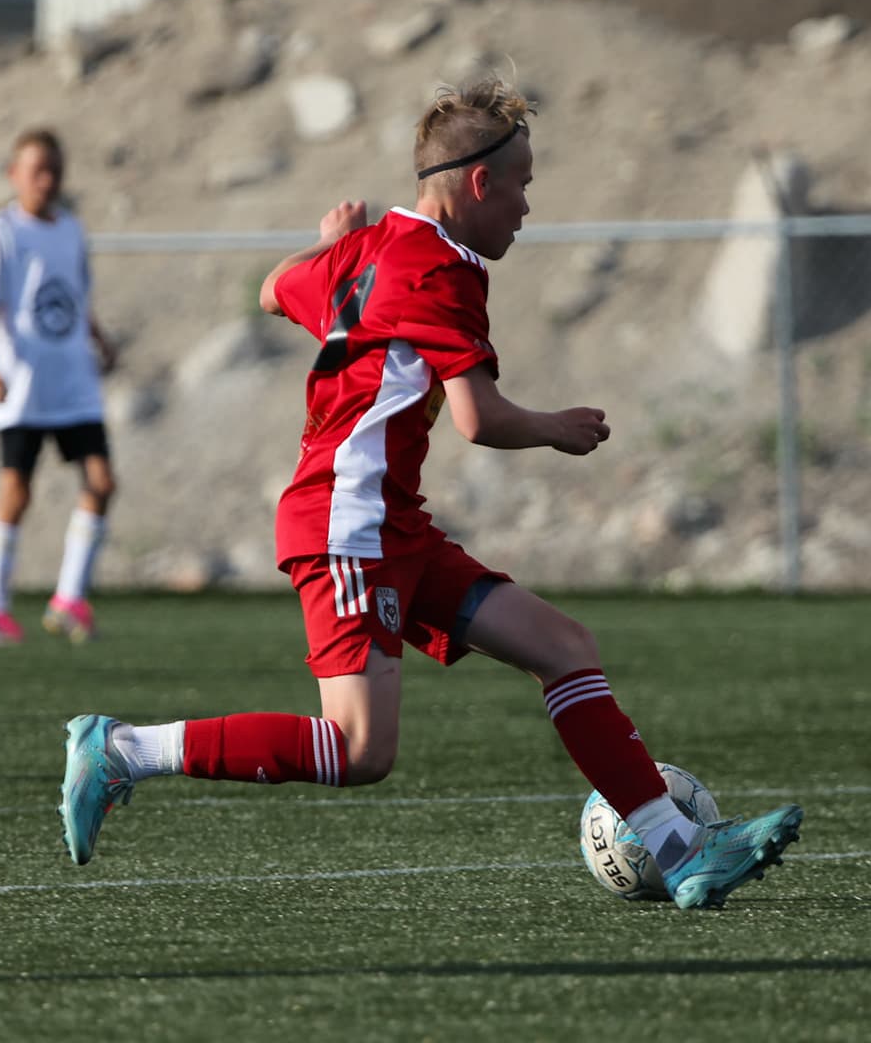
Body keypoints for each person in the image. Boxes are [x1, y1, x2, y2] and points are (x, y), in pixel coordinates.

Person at [56, 78, 802, 910]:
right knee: (359, 749)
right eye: (520, 183)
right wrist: (554, 426)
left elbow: (273, 290)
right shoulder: (442, 269)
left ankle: (681, 848)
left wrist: (326, 246)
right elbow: (477, 419)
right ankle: (123, 748)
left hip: (390, 525)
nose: (526, 205)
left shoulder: (368, 248)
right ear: (479, 182)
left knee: (561, 645)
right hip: (349, 523)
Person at [0, 128, 118, 647]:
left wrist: (100, 340)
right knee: (16, 490)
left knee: (101, 483)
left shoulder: (71, 229)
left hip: (73, 380)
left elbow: (76, 298)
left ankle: (70, 597)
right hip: (24, 383)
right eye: (36, 170)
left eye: (53, 170)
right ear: (14, 175)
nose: (46, 180)